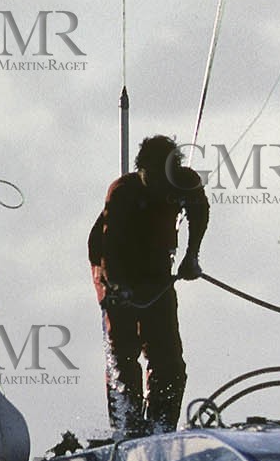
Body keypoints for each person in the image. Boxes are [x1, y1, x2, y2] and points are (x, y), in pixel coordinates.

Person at [88, 134, 209, 435]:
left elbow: (200, 214)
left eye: (162, 178)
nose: (156, 184)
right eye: (150, 177)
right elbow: (108, 247)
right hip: (114, 268)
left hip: (156, 271)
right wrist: (118, 287)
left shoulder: (184, 182)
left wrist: (191, 256)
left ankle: (160, 425)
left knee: (168, 357)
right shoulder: (122, 192)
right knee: (123, 352)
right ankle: (127, 425)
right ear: (140, 171)